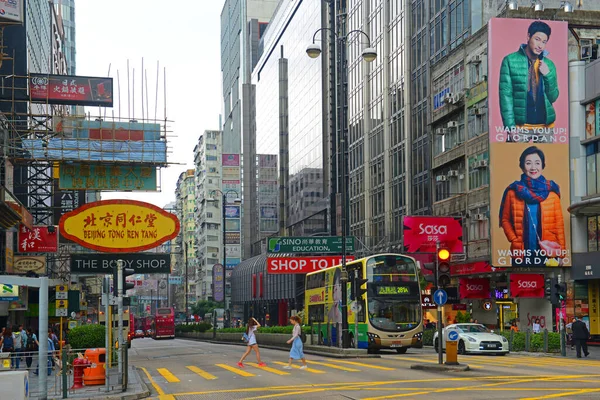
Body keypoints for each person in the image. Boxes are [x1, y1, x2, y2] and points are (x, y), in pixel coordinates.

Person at [499, 146, 566, 266]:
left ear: (542, 165)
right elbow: (505, 219)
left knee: (549, 282)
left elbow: (559, 226)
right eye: (528, 163)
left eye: (537, 163)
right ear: (522, 166)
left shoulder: (552, 193)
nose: (533, 167)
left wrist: (561, 254)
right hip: (521, 252)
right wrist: (514, 239)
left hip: (547, 251)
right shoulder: (512, 192)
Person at [499, 21, 559, 139]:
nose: (540, 45)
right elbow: (506, 97)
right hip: (520, 126)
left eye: (544, 42)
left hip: (545, 127)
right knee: (514, 157)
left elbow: (553, 97)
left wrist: (548, 75)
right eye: (537, 39)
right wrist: (510, 127)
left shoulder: (549, 64)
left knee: (548, 158)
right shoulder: (510, 61)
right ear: (528, 36)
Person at [327, 269, 342, 345]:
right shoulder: (332, 309)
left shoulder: (343, 309)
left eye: (337, 290)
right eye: (334, 290)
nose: (334, 294)